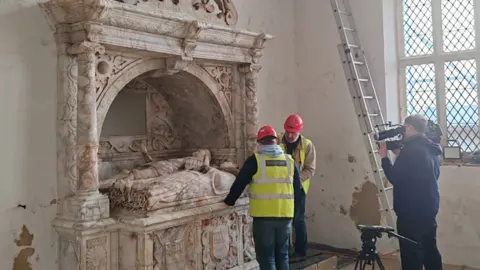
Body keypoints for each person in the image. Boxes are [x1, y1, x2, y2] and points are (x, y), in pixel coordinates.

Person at [224, 125, 302, 270]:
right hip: (285, 217)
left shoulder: (255, 160)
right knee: (282, 256)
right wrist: (295, 216)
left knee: (267, 259)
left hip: (264, 218)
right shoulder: (290, 161)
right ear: (276, 141)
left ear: (259, 143)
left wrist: (229, 201)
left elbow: (240, 183)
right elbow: (299, 191)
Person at [378, 114, 443, 270]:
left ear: (410, 127)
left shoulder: (410, 151)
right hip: (429, 207)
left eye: (404, 127)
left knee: (411, 252)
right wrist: (400, 155)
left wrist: (384, 158)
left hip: (410, 211)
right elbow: (426, 172)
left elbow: (395, 177)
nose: (402, 131)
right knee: (429, 249)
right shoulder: (431, 148)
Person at [278, 114, 316, 260]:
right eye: (287, 131)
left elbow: (310, 169)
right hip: (280, 188)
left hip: (298, 189)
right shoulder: (278, 141)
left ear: (299, 130)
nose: (289, 134)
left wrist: (295, 181)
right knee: (282, 219)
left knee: (298, 220)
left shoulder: (307, 145)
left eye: (293, 132)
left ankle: (300, 252)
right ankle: (284, 252)